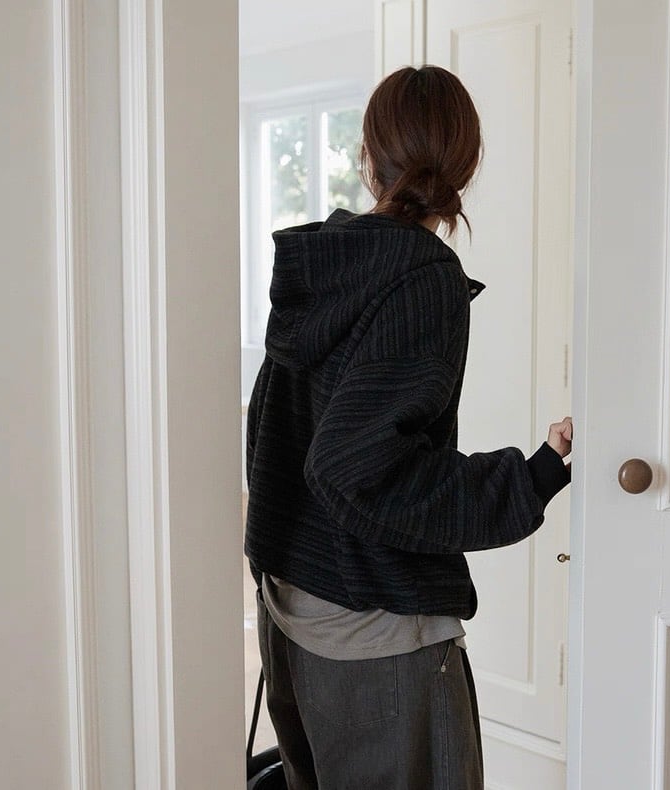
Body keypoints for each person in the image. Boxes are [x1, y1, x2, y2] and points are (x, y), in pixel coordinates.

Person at [245, 65, 572, 790]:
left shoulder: (322, 265)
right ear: (468, 163)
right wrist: (531, 476)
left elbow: (270, 427)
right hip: (374, 627)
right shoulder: (422, 278)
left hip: (291, 608)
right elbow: (352, 467)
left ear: (367, 156)